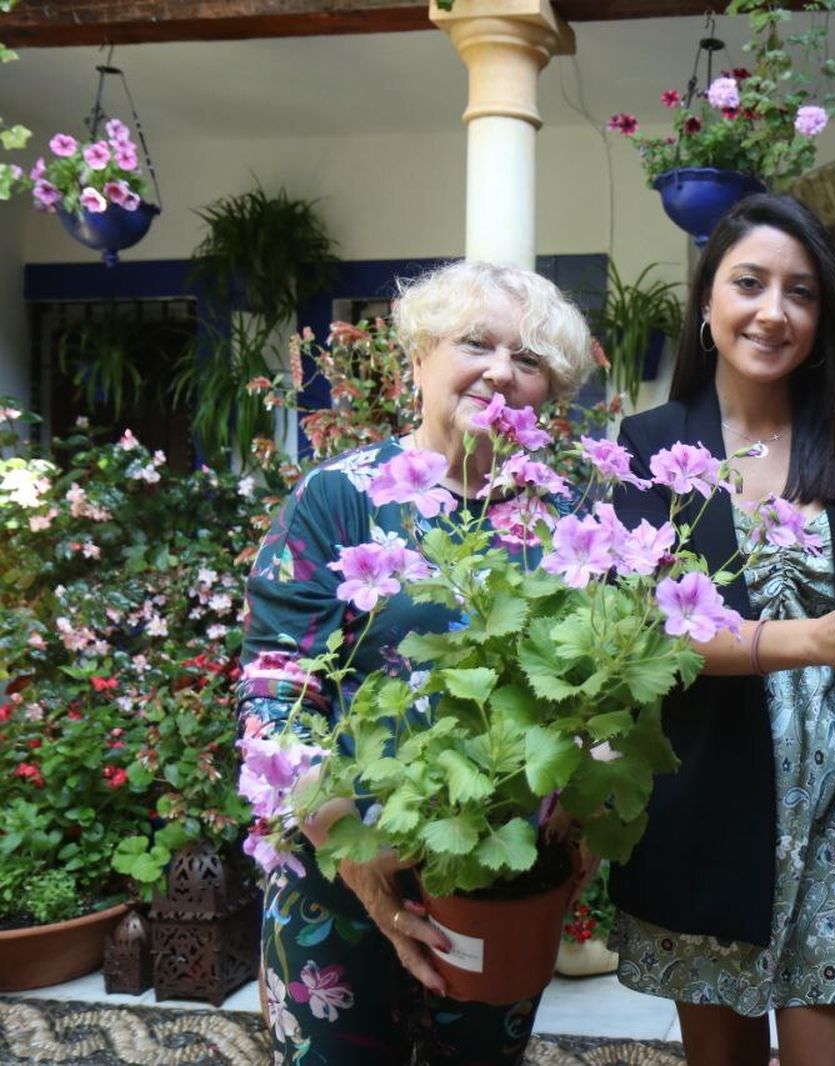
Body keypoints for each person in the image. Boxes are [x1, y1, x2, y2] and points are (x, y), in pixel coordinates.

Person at [236, 260, 594, 1064]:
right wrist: (355, 857)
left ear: (549, 396)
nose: (502, 370)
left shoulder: (568, 518)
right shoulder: (338, 496)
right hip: (339, 867)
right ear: (420, 357)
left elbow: (595, 699)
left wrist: (580, 828)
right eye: (477, 342)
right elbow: (275, 690)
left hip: (498, 874)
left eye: (530, 359)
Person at [607, 193, 835, 1065]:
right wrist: (813, 639)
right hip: (707, 802)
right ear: (708, 303)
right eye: (750, 283)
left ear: (823, 321)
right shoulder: (648, 445)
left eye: (802, 292)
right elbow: (641, 637)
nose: (774, 312)